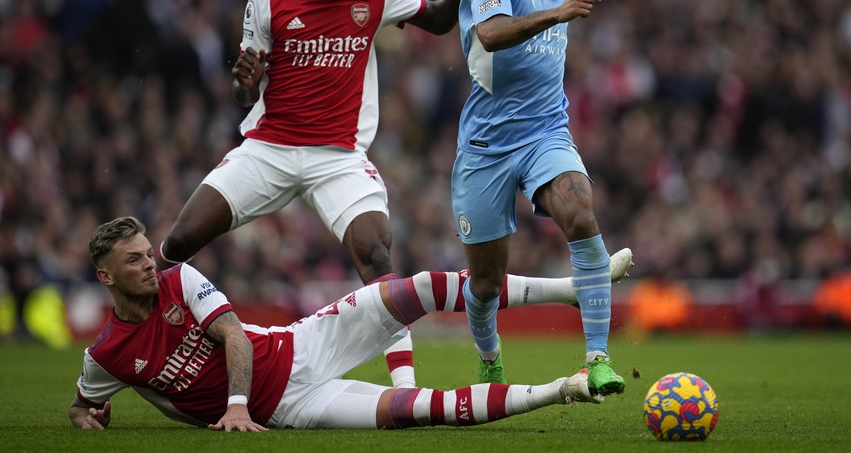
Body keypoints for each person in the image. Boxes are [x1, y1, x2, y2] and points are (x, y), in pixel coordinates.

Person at [158, 0, 476, 389]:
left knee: (377, 255)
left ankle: (407, 393)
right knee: (177, 243)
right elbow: (245, 89)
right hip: (269, 149)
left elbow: (435, 20)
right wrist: (246, 81)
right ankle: (137, 348)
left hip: (339, 157)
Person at [69, 217, 633, 430]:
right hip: (291, 410)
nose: (150, 264)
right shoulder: (108, 355)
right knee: (417, 412)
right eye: (134, 260)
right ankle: (564, 390)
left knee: (419, 288)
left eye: (148, 253)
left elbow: (235, 336)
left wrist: (234, 408)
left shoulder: (179, 279)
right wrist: (86, 417)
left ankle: (578, 289)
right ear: (105, 277)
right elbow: (79, 402)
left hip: (300, 347)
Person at [452, 0, 628, 396]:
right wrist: (558, 13)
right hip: (486, 148)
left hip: (546, 132)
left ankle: (598, 358)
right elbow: (491, 35)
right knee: (485, 284)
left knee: (580, 212)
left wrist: (560, 7)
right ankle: (490, 361)